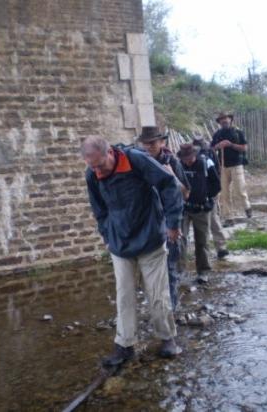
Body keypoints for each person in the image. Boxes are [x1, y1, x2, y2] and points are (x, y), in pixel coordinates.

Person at [81, 136, 183, 366]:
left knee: (157, 293)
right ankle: (124, 344)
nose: (98, 171)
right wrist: (107, 235)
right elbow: (99, 210)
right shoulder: (92, 174)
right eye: (92, 166)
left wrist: (173, 223)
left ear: (110, 152)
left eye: (100, 165)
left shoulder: (136, 160)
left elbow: (168, 184)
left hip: (150, 237)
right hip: (120, 242)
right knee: (124, 295)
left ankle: (167, 338)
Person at [138, 126, 190, 309]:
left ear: (162, 142)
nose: (148, 147)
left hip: (170, 219)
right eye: (145, 143)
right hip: (148, 222)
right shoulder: (139, 162)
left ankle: (171, 308)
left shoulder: (172, 162)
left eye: (152, 143)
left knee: (170, 266)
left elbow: (186, 194)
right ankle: (155, 305)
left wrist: (171, 176)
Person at [177, 144, 221, 283]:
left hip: (202, 208)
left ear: (194, 155)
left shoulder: (205, 163)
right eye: (185, 158)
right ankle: (180, 271)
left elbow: (216, 184)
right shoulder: (178, 166)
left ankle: (203, 271)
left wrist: (209, 198)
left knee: (202, 241)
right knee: (180, 240)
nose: (187, 161)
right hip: (183, 208)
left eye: (189, 158)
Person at [211, 112, 252, 227]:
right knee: (224, 193)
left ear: (230, 119)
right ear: (219, 122)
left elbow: (244, 148)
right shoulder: (217, 134)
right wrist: (218, 146)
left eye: (226, 118)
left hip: (237, 165)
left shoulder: (238, 132)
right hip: (223, 166)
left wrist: (230, 144)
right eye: (221, 119)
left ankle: (247, 207)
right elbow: (212, 148)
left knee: (240, 189)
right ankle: (229, 218)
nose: (224, 121)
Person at [193, 136, 229, 259]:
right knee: (211, 222)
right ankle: (218, 248)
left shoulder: (207, 159)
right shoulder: (191, 160)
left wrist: (211, 195)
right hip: (197, 198)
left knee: (212, 221)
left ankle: (220, 248)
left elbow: (216, 177)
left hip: (208, 196)